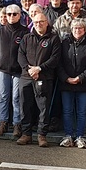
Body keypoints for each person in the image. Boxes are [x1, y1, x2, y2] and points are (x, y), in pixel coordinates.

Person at [15, 10, 61, 146]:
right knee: (25, 106)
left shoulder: (53, 38)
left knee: (43, 107)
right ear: (32, 23)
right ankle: (26, 134)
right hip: (26, 77)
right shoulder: (27, 38)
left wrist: (39, 68)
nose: (39, 24)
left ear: (47, 23)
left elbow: (55, 58)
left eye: (41, 21)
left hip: (44, 77)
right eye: (36, 22)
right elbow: (20, 55)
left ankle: (42, 135)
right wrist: (30, 70)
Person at [59, 17, 86, 148]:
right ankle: (68, 136)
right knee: (67, 111)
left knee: (82, 112)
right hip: (66, 83)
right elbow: (59, 63)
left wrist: (80, 78)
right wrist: (66, 78)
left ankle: (80, 136)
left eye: (80, 28)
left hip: (84, 84)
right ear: (71, 29)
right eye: (75, 28)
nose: (77, 30)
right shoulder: (64, 42)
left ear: (85, 29)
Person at [0, 4, 28, 137]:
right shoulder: (0, 31)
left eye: (14, 14)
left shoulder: (24, 32)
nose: (11, 16)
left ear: (19, 16)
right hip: (2, 69)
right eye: (9, 14)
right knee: (3, 97)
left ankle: (17, 124)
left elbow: (27, 51)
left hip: (18, 70)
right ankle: (3, 123)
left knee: (16, 97)